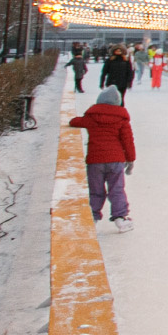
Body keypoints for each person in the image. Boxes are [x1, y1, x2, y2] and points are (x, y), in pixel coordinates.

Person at [69, 86, 136, 232]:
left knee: (96, 190)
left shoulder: (92, 117)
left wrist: (74, 120)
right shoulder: (121, 119)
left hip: (95, 161)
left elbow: (75, 122)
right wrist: (131, 160)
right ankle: (120, 218)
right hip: (115, 160)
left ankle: (92, 217)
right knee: (116, 189)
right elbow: (128, 141)